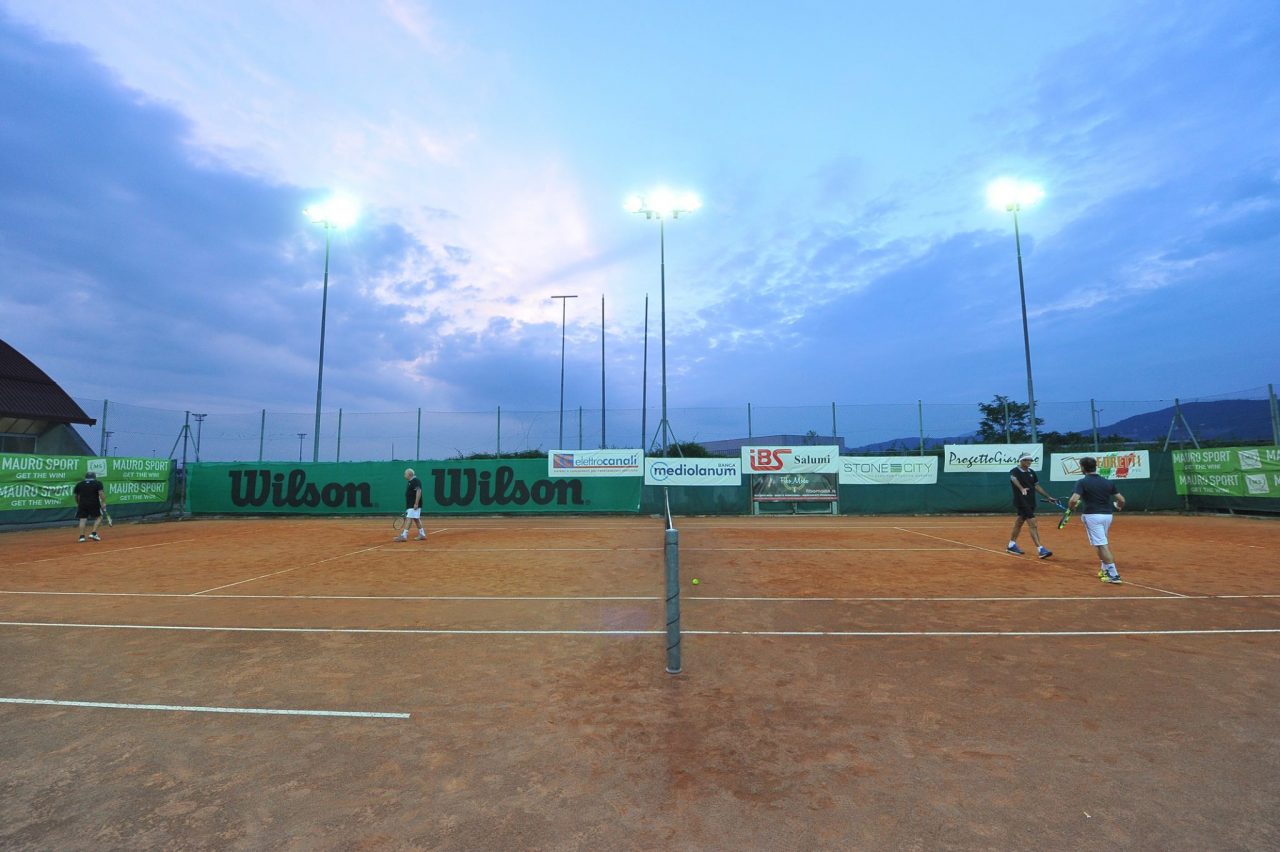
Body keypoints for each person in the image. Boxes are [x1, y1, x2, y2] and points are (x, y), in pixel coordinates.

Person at [1068, 456, 1126, 584]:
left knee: (1102, 545)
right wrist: (1118, 507)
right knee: (1102, 543)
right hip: (1107, 516)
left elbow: (1073, 500)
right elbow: (1121, 500)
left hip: (1092, 517)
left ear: (1083, 468)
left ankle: (1114, 575)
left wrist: (1071, 508)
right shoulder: (1107, 482)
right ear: (1095, 467)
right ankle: (1104, 570)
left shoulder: (1082, 482)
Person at [1007, 451, 1057, 558]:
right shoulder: (1014, 471)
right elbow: (1013, 479)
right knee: (1033, 524)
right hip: (1021, 501)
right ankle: (1041, 549)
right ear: (1021, 461)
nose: (1029, 462)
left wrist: (1048, 497)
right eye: (1027, 460)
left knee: (1020, 522)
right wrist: (1021, 488)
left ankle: (1011, 545)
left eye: (1030, 460)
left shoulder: (1032, 472)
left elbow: (1037, 487)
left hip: (1031, 501)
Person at [73, 470, 106, 543]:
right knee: (99, 517)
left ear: (85, 477)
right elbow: (101, 493)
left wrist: (78, 503)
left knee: (82, 519)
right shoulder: (98, 483)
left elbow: (76, 496)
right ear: (94, 477)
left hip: (82, 504)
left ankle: (81, 537)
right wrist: (103, 503)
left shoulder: (79, 484)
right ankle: (93, 533)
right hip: (94, 503)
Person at [398, 467, 426, 542]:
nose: (404, 475)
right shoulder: (410, 481)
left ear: (409, 474)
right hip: (411, 504)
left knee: (409, 518)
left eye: (405, 473)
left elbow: (419, 491)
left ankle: (404, 535)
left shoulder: (415, 481)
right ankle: (422, 534)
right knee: (416, 519)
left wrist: (416, 503)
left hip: (414, 504)